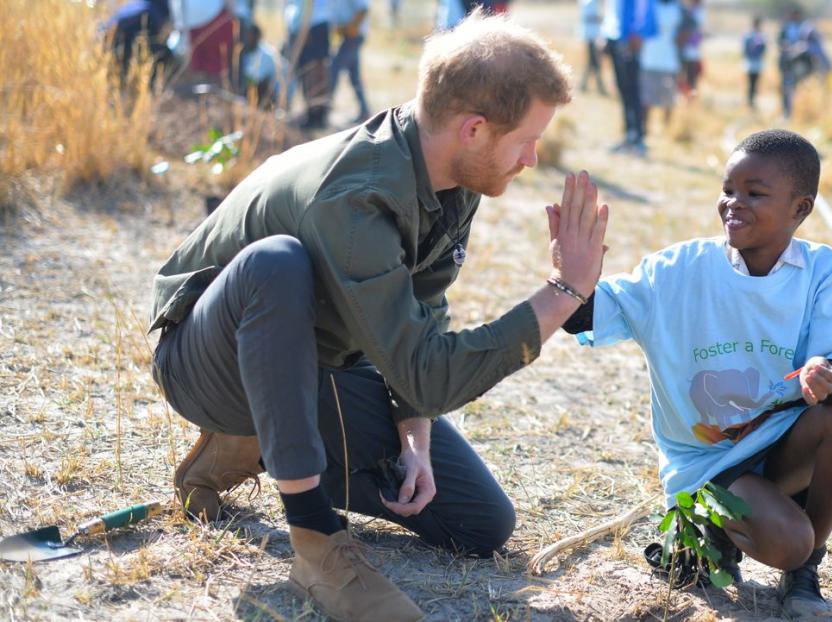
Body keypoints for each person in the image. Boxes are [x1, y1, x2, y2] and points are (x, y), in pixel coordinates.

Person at [149, 13, 603, 621]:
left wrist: (413, 437)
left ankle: (257, 447)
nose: (532, 157)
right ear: (473, 129)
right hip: (209, 361)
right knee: (276, 264)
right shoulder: (357, 196)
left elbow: (422, 321)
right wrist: (565, 290)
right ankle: (314, 539)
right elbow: (430, 375)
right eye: (526, 139)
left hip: (321, 360)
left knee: (478, 523)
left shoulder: (450, 175)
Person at [564, 129, 832, 617]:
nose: (734, 203)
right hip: (708, 462)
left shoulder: (820, 270)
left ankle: (806, 571)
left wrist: (829, 375)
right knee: (787, 540)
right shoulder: (678, 269)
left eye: (755, 193)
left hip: (777, 443)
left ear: (801, 209)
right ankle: (705, 528)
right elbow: (588, 315)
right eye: (728, 190)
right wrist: (571, 282)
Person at [602, 0, 656, 154]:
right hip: (614, 36)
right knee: (623, 90)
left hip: (629, 38)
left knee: (633, 90)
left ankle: (638, 138)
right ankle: (629, 136)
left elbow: (643, 5)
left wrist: (638, 32)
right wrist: (605, 33)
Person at [639, 0, 685, 137]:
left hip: (669, 62)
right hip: (648, 60)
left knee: (668, 101)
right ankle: (644, 129)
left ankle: (667, 131)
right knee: (645, 100)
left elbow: (690, 28)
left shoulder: (679, 9)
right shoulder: (648, 5)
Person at [285, 0, 334, 129]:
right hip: (312, 25)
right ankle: (317, 113)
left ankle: (315, 114)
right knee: (315, 71)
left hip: (310, 26)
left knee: (311, 72)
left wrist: (303, 29)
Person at [777, 6, 830, 120]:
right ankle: (787, 112)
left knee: (799, 88)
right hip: (788, 64)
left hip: (799, 64)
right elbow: (780, 43)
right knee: (787, 88)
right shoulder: (785, 28)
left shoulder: (803, 29)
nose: (795, 17)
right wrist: (786, 47)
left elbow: (810, 47)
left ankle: (797, 112)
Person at [329, 0, 372, 123]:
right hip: (347, 35)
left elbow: (363, 9)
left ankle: (325, 107)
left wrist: (352, 27)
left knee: (334, 68)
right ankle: (365, 111)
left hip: (354, 35)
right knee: (354, 76)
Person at [238, 22, 281, 108]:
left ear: (258, 37)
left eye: (251, 36)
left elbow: (255, 79)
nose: (248, 38)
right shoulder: (246, 52)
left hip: (270, 95)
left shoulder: (266, 54)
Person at [578, 0, 608, 94]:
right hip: (590, 35)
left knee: (592, 61)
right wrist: (600, 19)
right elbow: (589, 16)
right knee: (595, 61)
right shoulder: (588, 2)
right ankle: (599, 86)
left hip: (594, 34)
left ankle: (584, 84)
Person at [676, 0, 705, 95]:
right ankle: (685, 92)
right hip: (684, 49)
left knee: (691, 75)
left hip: (692, 50)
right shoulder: (688, 10)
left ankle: (690, 93)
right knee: (683, 74)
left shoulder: (699, 11)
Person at [742, 15, 766, 110]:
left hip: (757, 62)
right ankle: (750, 101)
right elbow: (745, 49)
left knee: (755, 83)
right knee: (751, 83)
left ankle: (752, 100)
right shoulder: (749, 35)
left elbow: (764, 49)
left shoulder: (761, 35)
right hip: (751, 62)